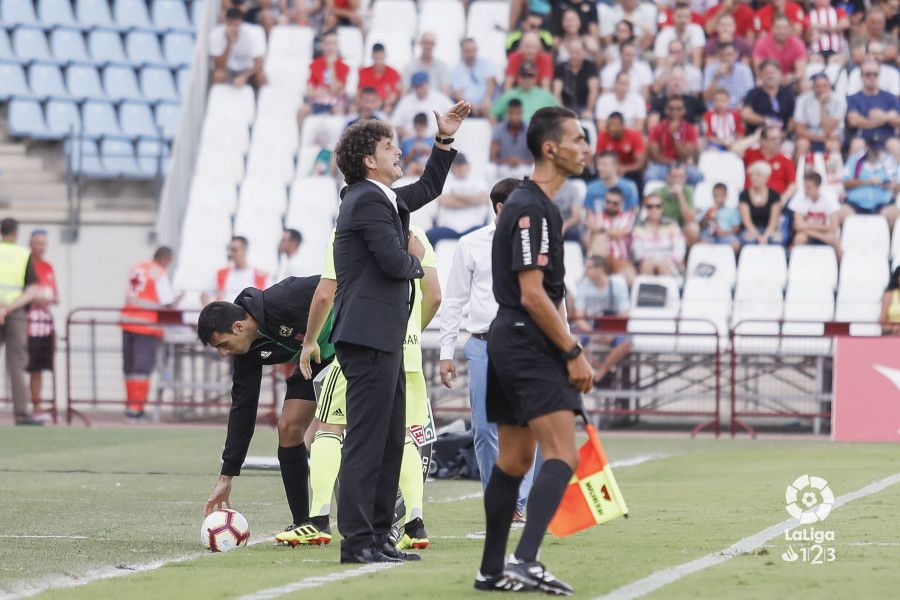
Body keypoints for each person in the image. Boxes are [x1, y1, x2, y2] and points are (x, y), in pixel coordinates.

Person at [327, 103, 469, 564]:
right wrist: (414, 259)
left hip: (383, 335)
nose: (399, 150)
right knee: (368, 441)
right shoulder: (366, 198)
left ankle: (379, 536)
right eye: (390, 146)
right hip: (367, 335)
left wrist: (444, 140)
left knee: (390, 440)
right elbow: (393, 262)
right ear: (369, 160)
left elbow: (429, 186)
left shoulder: (383, 197)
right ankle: (357, 540)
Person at [475, 106, 592, 594]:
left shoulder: (537, 204)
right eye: (579, 139)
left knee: (514, 461)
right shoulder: (532, 208)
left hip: (510, 336)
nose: (586, 149)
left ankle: (491, 570)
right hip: (526, 337)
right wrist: (571, 350)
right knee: (563, 454)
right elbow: (532, 292)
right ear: (551, 148)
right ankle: (525, 559)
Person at [295, 224, 441, 550]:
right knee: (402, 435)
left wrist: (309, 341)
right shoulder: (416, 234)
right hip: (409, 354)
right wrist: (408, 333)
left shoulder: (351, 229)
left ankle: (318, 519)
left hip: (363, 345)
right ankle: (414, 524)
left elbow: (325, 291)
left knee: (329, 427)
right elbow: (435, 295)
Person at [199, 276, 335, 544]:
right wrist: (227, 474)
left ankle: (381, 510)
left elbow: (332, 283)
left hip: (352, 351)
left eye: (223, 345)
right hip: (316, 361)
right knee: (288, 429)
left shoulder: (283, 298)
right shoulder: (245, 353)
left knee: (336, 430)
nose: (224, 354)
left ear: (238, 327)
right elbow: (242, 409)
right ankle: (304, 523)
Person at [438, 179, 533, 522]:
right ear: (500, 209)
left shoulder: (536, 243)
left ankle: (517, 503)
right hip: (482, 344)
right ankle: (500, 498)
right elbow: (453, 301)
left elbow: (556, 294)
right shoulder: (471, 244)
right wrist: (445, 352)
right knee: (482, 428)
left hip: (526, 345)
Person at [120, 247, 178, 421]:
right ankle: (136, 409)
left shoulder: (137, 267)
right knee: (142, 369)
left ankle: (130, 406)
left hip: (127, 322)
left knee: (129, 369)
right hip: (146, 326)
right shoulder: (159, 273)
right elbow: (167, 302)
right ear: (166, 259)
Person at [0, 218, 42, 426]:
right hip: (15, 313)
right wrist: (8, 308)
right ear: (16, 233)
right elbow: (32, 289)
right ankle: (22, 414)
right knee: (17, 363)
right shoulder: (23, 255)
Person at [572, 256, 633, 383]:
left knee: (627, 342)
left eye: (589, 267)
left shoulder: (618, 285)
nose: (586, 270)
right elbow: (579, 317)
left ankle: (600, 373)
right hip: (589, 328)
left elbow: (623, 315)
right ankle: (601, 370)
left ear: (600, 269)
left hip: (613, 328)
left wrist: (611, 334)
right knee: (571, 342)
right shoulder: (583, 286)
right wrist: (592, 333)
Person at [427, 153, 492, 245]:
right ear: (452, 168)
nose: (460, 168)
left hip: (474, 227)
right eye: (457, 165)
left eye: (462, 165)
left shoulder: (478, 182)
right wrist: (471, 200)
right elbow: (445, 201)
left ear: (468, 166)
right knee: (429, 235)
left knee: (491, 235)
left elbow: (483, 199)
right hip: (448, 227)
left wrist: (456, 195)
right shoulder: (445, 182)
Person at [26, 229, 57, 414]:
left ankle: (36, 405)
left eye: (45, 244)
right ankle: (22, 403)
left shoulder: (48, 267)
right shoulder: (25, 264)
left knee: (38, 367)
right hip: (26, 322)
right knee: (23, 366)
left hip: (44, 325)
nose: (42, 248)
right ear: (31, 244)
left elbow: (53, 294)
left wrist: (45, 297)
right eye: (39, 243)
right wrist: (36, 297)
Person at [845, 58, 900, 154]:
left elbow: (898, 121)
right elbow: (853, 121)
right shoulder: (853, 98)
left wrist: (882, 116)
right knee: (857, 144)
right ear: (861, 76)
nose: (872, 77)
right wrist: (887, 118)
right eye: (868, 74)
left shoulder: (890, 97)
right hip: (862, 137)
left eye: (875, 74)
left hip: (887, 138)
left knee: (895, 145)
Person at [839, 140, 900, 227]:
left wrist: (891, 185)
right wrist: (867, 181)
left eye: (878, 149)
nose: (876, 151)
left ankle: (889, 239)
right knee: (841, 213)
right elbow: (845, 183)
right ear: (867, 147)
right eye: (873, 149)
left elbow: (898, 186)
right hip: (855, 204)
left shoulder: (890, 162)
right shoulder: (855, 160)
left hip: (882, 204)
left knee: (894, 213)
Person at [645, 96, 703, 185]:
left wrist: (675, 136)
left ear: (684, 111)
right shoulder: (657, 128)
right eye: (671, 109)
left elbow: (686, 155)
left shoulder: (690, 129)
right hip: (662, 165)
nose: (675, 112)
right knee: (650, 175)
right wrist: (670, 163)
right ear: (666, 110)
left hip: (683, 165)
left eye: (678, 109)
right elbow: (654, 155)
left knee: (697, 176)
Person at [584, 187, 637, 283]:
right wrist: (598, 231)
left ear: (622, 203)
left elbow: (621, 233)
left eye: (615, 203)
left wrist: (600, 229)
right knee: (598, 238)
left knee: (630, 277)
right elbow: (587, 239)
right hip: (600, 259)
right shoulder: (598, 216)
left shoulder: (627, 216)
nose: (611, 205)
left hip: (620, 259)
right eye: (608, 202)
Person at [733, 125, 797, 201]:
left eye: (779, 139)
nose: (777, 142)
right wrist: (755, 137)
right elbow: (735, 149)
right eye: (773, 139)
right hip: (750, 202)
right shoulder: (751, 154)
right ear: (763, 141)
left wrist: (781, 201)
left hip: (774, 204)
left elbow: (792, 185)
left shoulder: (786, 161)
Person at [201, 236, 269, 305]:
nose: (230, 253)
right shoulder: (221, 273)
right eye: (229, 250)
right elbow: (204, 295)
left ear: (244, 250)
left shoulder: (261, 276)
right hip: (225, 314)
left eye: (234, 250)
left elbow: (270, 300)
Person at [209, 8, 267, 88]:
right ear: (225, 22)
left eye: (236, 24)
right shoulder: (216, 34)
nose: (233, 28)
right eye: (230, 24)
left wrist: (244, 76)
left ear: (241, 22)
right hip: (228, 70)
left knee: (261, 77)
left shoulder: (253, 33)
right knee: (218, 75)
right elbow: (219, 66)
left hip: (248, 71)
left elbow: (259, 62)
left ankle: (260, 99)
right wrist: (229, 44)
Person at [631, 193, 687, 275]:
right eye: (650, 206)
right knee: (648, 264)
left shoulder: (672, 225)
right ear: (645, 208)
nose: (654, 210)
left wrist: (669, 258)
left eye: (658, 206)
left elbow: (680, 248)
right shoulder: (639, 227)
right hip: (647, 262)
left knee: (664, 265)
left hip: (669, 261)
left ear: (662, 208)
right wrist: (652, 260)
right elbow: (637, 251)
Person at [788, 172, 842, 256]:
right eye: (805, 187)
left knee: (833, 239)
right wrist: (820, 232)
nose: (806, 190)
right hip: (808, 234)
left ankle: (840, 266)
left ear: (818, 187)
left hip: (821, 233)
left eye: (809, 187)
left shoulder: (829, 199)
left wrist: (806, 226)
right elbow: (798, 226)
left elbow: (833, 228)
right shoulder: (799, 198)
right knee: (799, 238)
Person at [301, 29, 350, 118]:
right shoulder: (315, 64)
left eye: (334, 43)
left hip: (335, 103)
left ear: (338, 46)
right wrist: (316, 92)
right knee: (302, 111)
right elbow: (309, 91)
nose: (331, 47)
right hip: (318, 101)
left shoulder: (343, 67)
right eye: (328, 43)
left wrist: (331, 66)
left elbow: (335, 90)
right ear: (322, 45)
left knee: (338, 110)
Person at [392, 72, 454, 140]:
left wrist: (440, 134)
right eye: (416, 87)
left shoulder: (440, 98)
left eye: (421, 86)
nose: (419, 89)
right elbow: (395, 124)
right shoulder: (406, 100)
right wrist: (408, 136)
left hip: (435, 140)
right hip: (411, 142)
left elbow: (453, 117)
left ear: (428, 84)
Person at [740, 60, 796, 134]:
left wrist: (784, 134)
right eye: (766, 73)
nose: (770, 76)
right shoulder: (753, 93)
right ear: (761, 75)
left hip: (782, 135)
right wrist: (766, 121)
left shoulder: (788, 93)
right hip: (758, 135)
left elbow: (793, 117)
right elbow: (746, 114)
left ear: (780, 74)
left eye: (773, 73)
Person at [491, 61, 558, 122]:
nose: (527, 79)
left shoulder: (545, 96)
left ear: (535, 78)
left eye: (530, 76)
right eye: (524, 76)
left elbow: (560, 115)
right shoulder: (509, 95)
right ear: (518, 77)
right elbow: (492, 114)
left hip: (538, 133)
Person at [738, 161, 783, 245]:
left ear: (767, 177)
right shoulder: (744, 195)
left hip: (769, 229)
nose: (754, 178)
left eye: (758, 175)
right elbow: (746, 221)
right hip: (750, 230)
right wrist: (759, 237)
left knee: (777, 239)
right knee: (749, 239)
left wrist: (765, 237)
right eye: (752, 175)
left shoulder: (775, 196)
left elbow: (773, 221)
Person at [450, 38, 497, 118]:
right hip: (466, 108)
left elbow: (491, 83)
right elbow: (457, 94)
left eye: (473, 50)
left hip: (487, 104)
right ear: (462, 51)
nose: (471, 54)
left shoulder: (486, 63)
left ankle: (495, 130)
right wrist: (471, 107)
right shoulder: (456, 69)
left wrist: (487, 100)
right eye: (468, 51)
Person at [552, 39, 598, 119]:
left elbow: (593, 90)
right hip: (566, 107)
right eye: (572, 52)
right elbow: (557, 92)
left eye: (577, 53)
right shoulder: (561, 68)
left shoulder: (591, 67)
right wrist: (562, 110)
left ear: (583, 53)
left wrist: (589, 110)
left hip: (584, 107)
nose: (574, 56)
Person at [594, 112, 646, 182]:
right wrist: (612, 169)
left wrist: (624, 169)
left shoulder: (634, 136)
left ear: (623, 125)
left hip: (630, 173)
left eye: (616, 125)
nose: (612, 129)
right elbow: (598, 160)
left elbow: (640, 163)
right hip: (607, 171)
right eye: (610, 125)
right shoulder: (602, 136)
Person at [491, 99, 534, 179]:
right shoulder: (499, 129)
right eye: (511, 113)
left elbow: (535, 158)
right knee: (490, 169)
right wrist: (507, 161)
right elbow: (492, 158)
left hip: (524, 168)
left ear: (522, 112)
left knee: (531, 169)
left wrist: (520, 162)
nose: (514, 117)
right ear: (507, 112)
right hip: (504, 168)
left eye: (517, 113)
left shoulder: (529, 130)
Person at [654, 2, 706, 68]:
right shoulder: (664, 34)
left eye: (686, 17)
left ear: (690, 18)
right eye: (680, 17)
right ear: (673, 17)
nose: (683, 20)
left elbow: (697, 59)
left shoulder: (696, 30)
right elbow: (660, 63)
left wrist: (695, 75)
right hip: (670, 70)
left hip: (689, 69)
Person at [702, 42, 754, 109]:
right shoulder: (710, 69)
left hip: (739, 110)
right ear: (718, 56)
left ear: (736, 55)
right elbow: (706, 99)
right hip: (716, 110)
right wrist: (716, 77)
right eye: (722, 55)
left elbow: (750, 95)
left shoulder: (745, 70)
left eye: (730, 55)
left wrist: (742, 105)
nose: (726, 58)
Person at [658, 163, 700, 245]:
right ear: (668, 177)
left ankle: (688, 255)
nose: (677, 180)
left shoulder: (688, 190)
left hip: (682, 228)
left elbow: (690, 219)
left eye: (681, 177)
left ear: (685, 178)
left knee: (693, 229)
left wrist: (680, 195)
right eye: (674, 177)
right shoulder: (658, 192)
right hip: (663, 228)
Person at [358, 43, 401, 113]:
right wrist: (369, 105)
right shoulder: (364, 72)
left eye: (381, 58)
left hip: (384, 108)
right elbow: (359, 94)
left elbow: (394, 96)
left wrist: (381, 104)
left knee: (388, 109)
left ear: (385, 56)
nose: (379, 61)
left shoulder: (393, 73)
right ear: (372, 56)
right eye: (376, 58)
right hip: (366, 108)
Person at [880, 267, 900, 335]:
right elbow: (882, 320)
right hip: (892, 334)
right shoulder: (889, 295)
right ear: (897, 278)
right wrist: (893, 328)